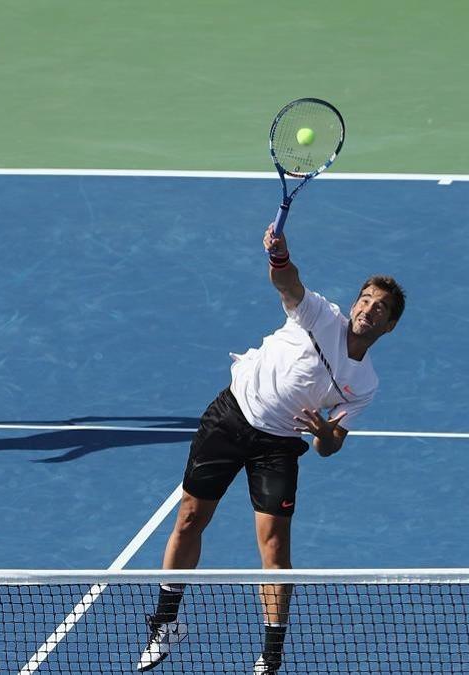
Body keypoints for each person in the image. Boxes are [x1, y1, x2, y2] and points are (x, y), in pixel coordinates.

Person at [136, 223, 405, 673]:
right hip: (231, 415)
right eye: (365, 300)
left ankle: (272, 653)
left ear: (390, 325)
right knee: (189, 517)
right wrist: (278, 256)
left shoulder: (365, 383)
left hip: (278, 445)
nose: (368, 310)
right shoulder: (319, 315)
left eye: (380, 309)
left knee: (275, 547)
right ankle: (166, 624)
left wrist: (322, 433)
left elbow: (331, 446)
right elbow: (288, 283)